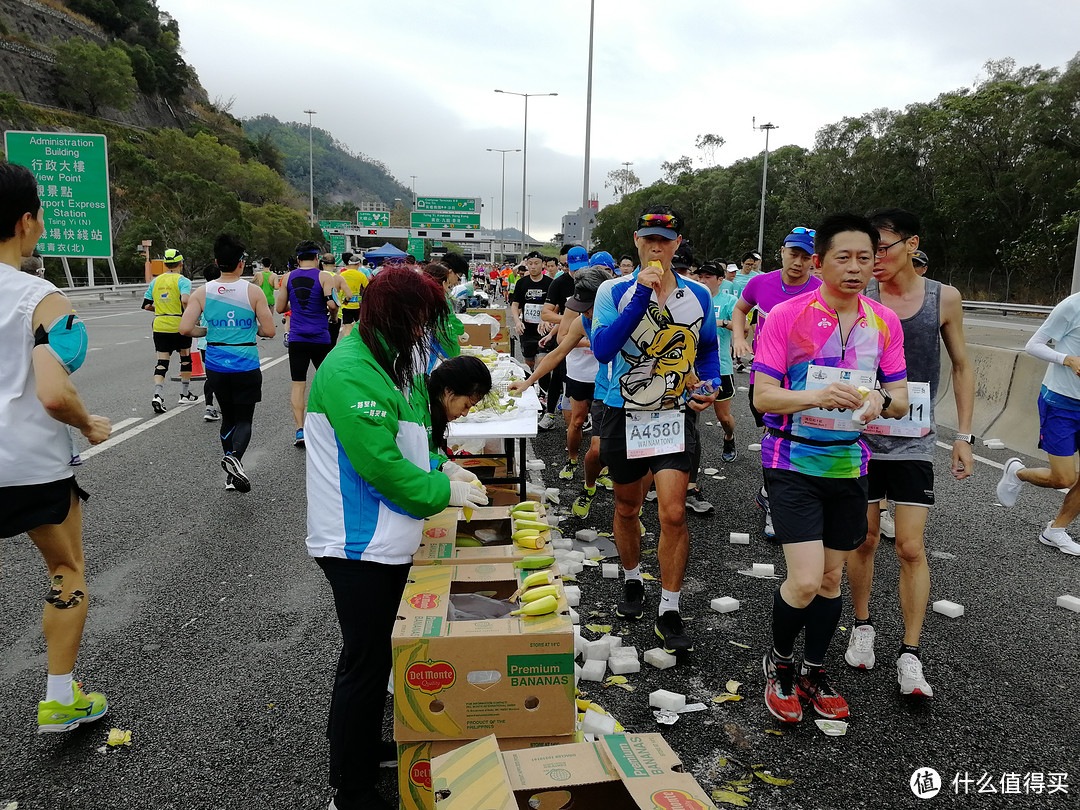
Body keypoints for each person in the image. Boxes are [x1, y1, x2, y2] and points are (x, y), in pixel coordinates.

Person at [304, 267, 488, 810]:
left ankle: (363, 750)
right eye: (423, 321)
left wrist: (441, 468)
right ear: (400, 318)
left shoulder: (392, 366)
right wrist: (442, 492)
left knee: (382, 654)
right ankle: (350, 787)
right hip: (358, 542)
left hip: (390, 537)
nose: (426, 333)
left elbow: (407, 445)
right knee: (363, 664)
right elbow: (381, 468)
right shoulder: (350, 371)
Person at [752, 213, 908, 724]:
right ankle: (778, 666)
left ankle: (814, 670)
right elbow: (763, 395)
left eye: (866, 258)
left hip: (849, 467)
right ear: (819, 263)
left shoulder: (884, 323)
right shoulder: (787, 317)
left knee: (832, 580)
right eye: (843, 257)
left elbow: (903, 399)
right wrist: (816, 395)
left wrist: (881, 399)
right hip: (790, 460)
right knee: (802, 580)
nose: (856, 267)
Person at [0, 162, 112, 732]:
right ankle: (60, 698)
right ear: (25, 222)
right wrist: (87, 424)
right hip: (28, 465)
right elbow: (50, 391)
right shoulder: (40, 298)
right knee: (65, 569)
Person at [845, 210, 973, 697]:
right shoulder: (859, 297)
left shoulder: (944, 298)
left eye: (881, 247)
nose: (873, 259)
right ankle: (862, 627)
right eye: (866, 250)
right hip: (859, 434)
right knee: (864, 539)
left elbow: (961, 365)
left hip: (915, 438)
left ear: (911, 243)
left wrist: (963, 435)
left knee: (911, 546)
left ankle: (911, 654)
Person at [591, 204, 721, 655]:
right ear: (636, 241)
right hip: (621, 412)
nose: (656, 247)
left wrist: (710, 385)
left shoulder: (698, 296)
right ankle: (630, 578)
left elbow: (706, 351)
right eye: (648, 239)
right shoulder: (613, 290)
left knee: (672, 512)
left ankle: (670, 606)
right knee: (628, 509)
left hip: (673, 415)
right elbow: (605, 349)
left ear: (677, 245)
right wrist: (643, 297)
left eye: (664, 241)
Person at [733, 228, 822, 538]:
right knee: (772, 437)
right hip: (765, 376)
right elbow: (741, 309)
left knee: (796, 438)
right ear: (782, 251)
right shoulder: (761, 283)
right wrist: (738, 337)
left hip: (802, 380)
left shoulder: (822, 290)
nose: (797, 262)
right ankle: (774, 496)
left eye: (805, 257)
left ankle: (779, 498)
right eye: (793, 253)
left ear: (815, 260)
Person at [180, 234, 276, 492]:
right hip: (245, 362)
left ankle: (231, 475)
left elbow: (185, 328)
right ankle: (235, 460)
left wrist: (210, 332)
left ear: (216, 261)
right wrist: (249, 327)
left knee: (227, 418)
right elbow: (269, 331)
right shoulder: (253, 292)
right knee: (244, 420)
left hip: (216, 364)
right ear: (241, 263)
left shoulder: (202, 292)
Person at [996, 287, 1080, 557]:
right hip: (1062, 402)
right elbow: (1034, 344)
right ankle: (1017, 473)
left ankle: (1055, 531)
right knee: (1063, 478)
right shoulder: (1072, 306)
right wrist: (1065, 358)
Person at [275, 241, 348, 447]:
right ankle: (332, 426)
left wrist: (296, 304)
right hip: (320, 337)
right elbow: (333, 305)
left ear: (298, 259)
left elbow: (280, 308)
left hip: (298, 337)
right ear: (317, 258)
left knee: (298, 384)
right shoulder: (325, 277)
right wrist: (333, 318)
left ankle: (300, 430)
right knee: (328, 383)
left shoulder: (288, 277)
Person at [689, 261, 738, 462]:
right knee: (688, 417)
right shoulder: (689, 298)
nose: (702, 280)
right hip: (690, 367)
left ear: (720, 280)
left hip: (720, 366)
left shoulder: (728, 301)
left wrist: (721, 322)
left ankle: (729, 436)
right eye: (700, 276)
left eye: (708, 277)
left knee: (723, 418)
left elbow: (743, 329)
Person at [142, 247, 196, 413]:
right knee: (185, 358)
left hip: (160, 324)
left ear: (165, 264)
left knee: (162, 362)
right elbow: (186, 300)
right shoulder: (183, 281)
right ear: (180, 263)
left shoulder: (155, 282)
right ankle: (184, 393)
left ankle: (157, 395)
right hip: (178, 323)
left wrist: (161, 310)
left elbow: (146, 305)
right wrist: (189, 314)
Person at [539, 245, 586, 432]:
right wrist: (572, 320)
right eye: (568, 266)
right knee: (558, 375)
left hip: (591, 340)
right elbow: (546, 314)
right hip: (568, 338)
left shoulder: (596, 281)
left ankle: (586, 417)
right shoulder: (559, 283)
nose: (574, 270)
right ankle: (550, 414)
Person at [428, 355, 494, 453]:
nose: (465, 413)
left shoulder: (434, 414)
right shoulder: (416, 413)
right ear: (449, 390)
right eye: (466, 405)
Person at [510, 251, 553, 373]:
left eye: (536, 263)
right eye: (530, 263)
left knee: (543, 361)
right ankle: (530, 387)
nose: (533, 266)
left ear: (543, 264)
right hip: (527, 330)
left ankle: (543, 391)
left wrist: (547, 319)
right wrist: (517, 321)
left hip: (544, 329)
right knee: (529, 363)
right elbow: (514, 305)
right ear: (527, 264)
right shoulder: (521, 283)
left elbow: (555, 307)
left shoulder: (550, 283)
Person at [338, 253, 368, 339]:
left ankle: (346, 343)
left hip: (344, 305)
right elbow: (367, 288)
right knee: (357, 327)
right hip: (357, 306)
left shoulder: (342, 274)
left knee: (347, 327)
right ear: (358, 264)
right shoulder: (361, 275)